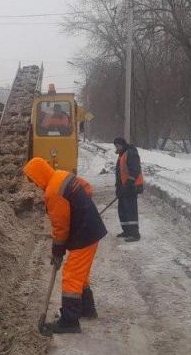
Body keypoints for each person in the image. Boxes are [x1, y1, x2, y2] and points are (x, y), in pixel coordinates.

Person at [24, 157, 107, 334]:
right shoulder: (62, 175)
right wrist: (83, 207)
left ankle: (70, 321)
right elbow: (86, 187)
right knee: (80, 274)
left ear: (39, 175)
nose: (34, 184)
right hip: (89, 229)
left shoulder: (53, 192)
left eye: (33, 180)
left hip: (85, 234)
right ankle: (87, 309)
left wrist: (57, 251)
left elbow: (60, 227)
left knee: (71, 275)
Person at [114, 137, 144, 241]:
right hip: (124, 188)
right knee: (122, 209)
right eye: (116, 146)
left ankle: (135, 234)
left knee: (130, 210)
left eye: (118, 145)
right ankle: (126, 231)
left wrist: (129, 183)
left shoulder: (130, 153)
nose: (117, 147)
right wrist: (118, 188)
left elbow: (135, 170)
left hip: (132, 187)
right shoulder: (121, 155)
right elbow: (120, 173)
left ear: (122, 144)